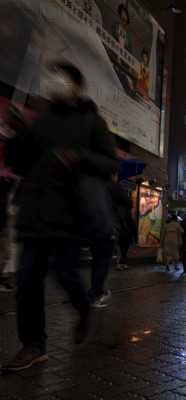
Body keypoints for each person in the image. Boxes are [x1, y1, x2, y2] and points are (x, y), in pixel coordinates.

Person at [0, 63, 119, 372]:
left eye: (61, 77)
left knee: (66, 274)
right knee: (26, 280)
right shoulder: (40, 123)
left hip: (70, 214)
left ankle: (83, 311)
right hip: (35, 212)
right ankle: (34, 345)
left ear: (76, 86)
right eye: (50, 76)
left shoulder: (91, 122)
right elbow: (20, 164)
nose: (54, 83)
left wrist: (77, 156)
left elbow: (109, 163)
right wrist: (18, 136)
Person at [109, 175, 136, 271]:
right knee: (122, 248)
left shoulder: (98, 185)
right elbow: (129, 205)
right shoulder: (117, 187)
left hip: (104, 224)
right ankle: (120, 263)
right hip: (121, 230)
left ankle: (121, 262)